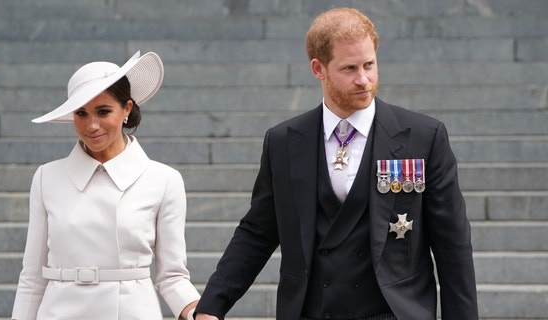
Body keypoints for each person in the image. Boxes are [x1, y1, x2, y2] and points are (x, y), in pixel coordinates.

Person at [195, 7, 478, 320]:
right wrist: (212, 305)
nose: (364, 79)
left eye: (369, 65)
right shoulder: (283, 142)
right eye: (349, 69)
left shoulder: (424, 137)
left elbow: (453, 245)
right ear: (319, 69)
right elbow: (258, 231)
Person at [11, 51, 199, 320]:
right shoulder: (46, 178)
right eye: (81, 113)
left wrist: (197, 311)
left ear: (127, 109)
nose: (92, 125)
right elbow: (32, 276)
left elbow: (172, 276)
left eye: (103, 111)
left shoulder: (163, 180)